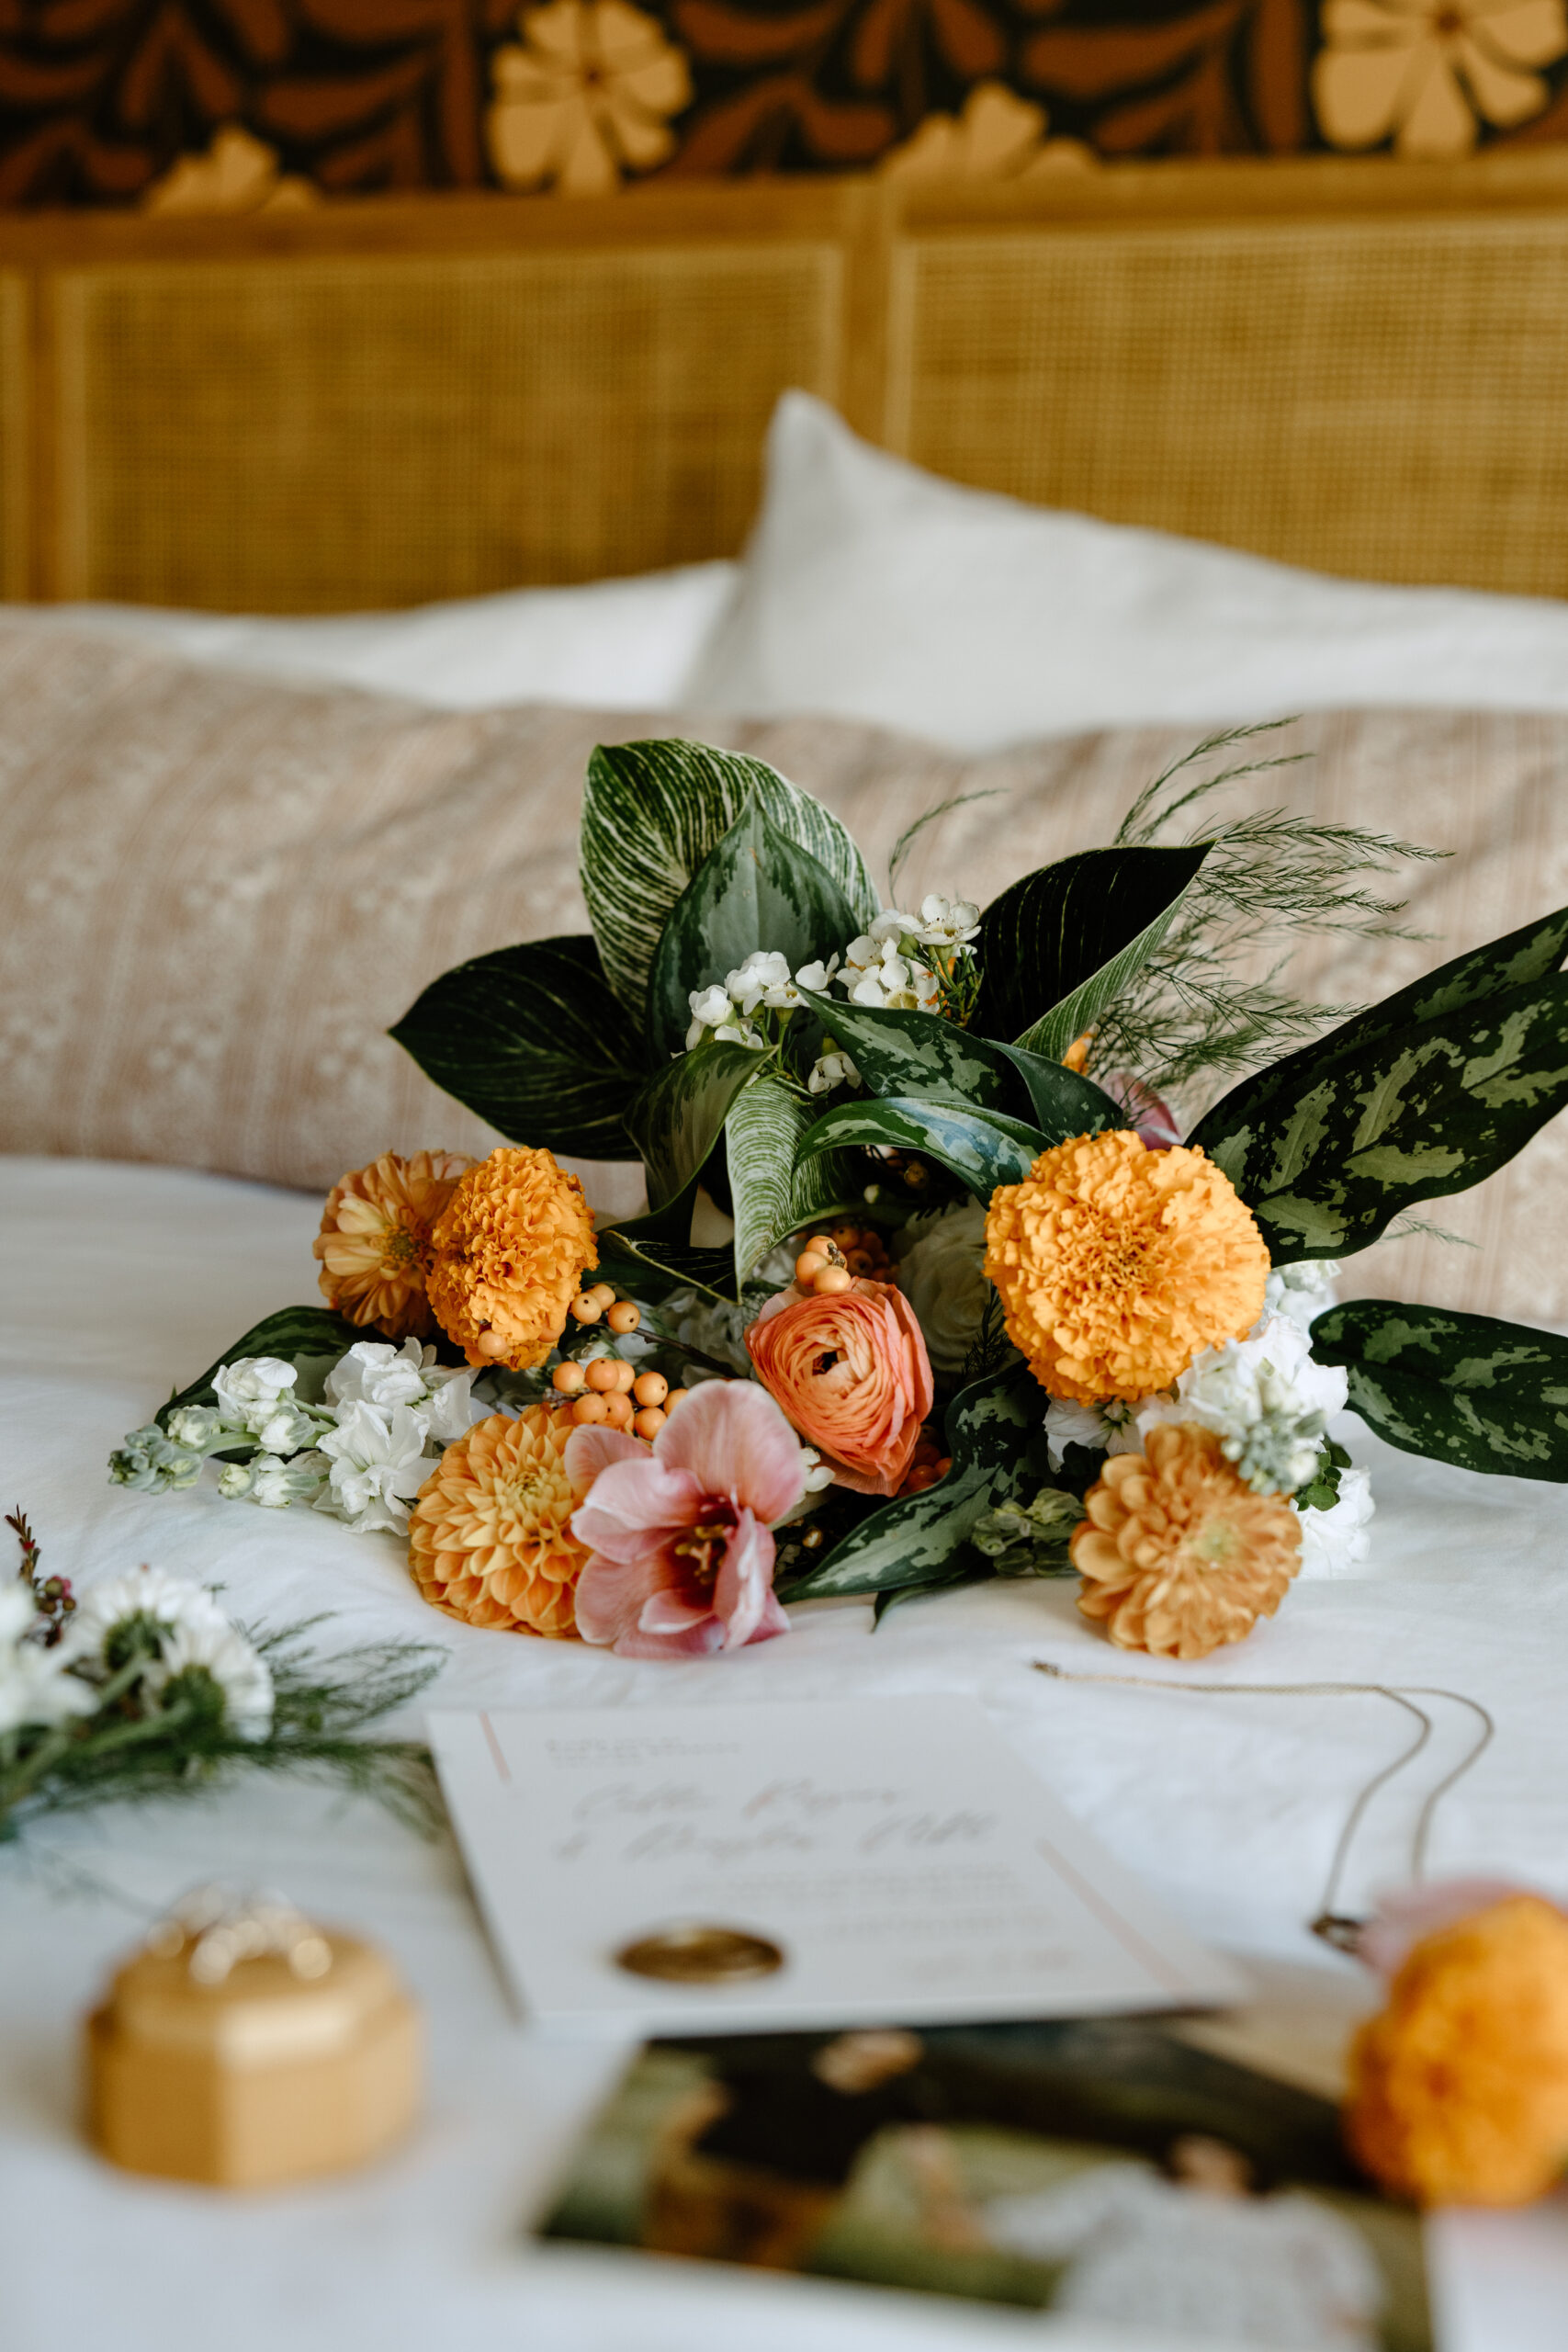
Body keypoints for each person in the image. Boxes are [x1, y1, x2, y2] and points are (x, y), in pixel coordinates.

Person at [983, 2132, 1384, 2350]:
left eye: (1220, 2148)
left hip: (1256, 2326)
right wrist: (993, 2226)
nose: (1206, 2157)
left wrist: (1349, 2300)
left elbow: (1340, 2257)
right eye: (1196, 2143)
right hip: (1133, 2311)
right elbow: (1062, 2217)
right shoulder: (1136, 2187)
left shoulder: (1291, 2214)